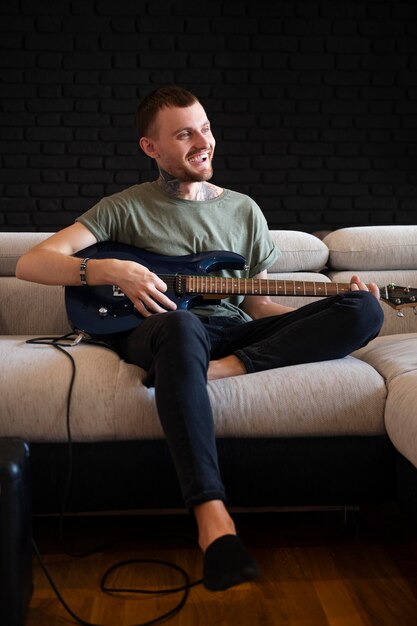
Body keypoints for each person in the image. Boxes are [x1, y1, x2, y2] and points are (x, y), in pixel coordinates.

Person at [16, 85, 384, 592]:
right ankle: (215, 524)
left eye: (205, 128)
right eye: (184, 133)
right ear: (152, 148)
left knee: (361, 308)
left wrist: (324, 311)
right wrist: (107, 269)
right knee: (184, 325)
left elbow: (256, 306)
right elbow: (30, 263)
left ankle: (223, 369)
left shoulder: (244, 211)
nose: (202, 141)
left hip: (232, 334)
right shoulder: (123, 208)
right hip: (160, 328)